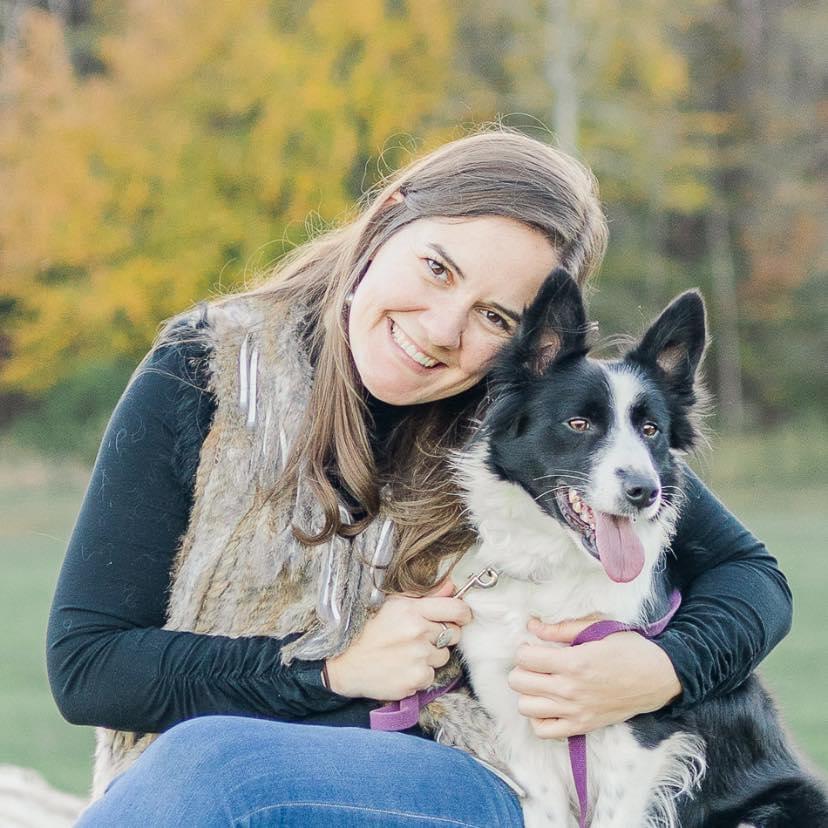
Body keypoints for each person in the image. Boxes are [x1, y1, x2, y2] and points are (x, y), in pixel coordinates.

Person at [47, 128, 792, 826]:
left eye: (495, 317)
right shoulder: (207, 368)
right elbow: (87, 666)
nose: (440, 329)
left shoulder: (517, 418)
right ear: (388, 217)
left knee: (220, 769)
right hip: (208, 773)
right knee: (212, 765)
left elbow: (751, 576)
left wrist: (664, 666)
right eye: (438, 269)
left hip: (472, 769)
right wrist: (332, 671)